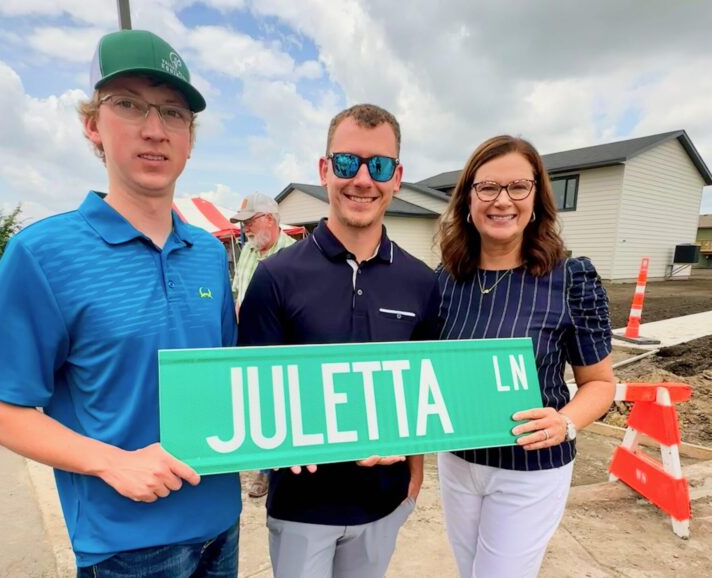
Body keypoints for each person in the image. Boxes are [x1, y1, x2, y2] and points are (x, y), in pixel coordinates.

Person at [0, 29, 240, 577]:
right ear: (93, 125)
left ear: (190, 137)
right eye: (129, 106)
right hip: (125, 545)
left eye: (173, 113)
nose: (154, 130)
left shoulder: (208, 253)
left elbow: (228, 382)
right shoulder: (42, 254)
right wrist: (113, 463)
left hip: (221, 525)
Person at [238, 104, 441, 578]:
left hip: (384, 504)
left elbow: (427, 386)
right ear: (325, 169)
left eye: (380, 166)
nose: (363, 179)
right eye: (348, 163)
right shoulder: (275, 277)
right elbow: (253, 392)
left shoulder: (421, 282)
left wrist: (414, 474)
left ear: (397, 177)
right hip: (302, 509)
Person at [435, 135, 616, 577]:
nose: (503, 201)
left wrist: (567, 422)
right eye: (488, 188)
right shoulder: (445, 279)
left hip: (529, 467)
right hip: (457, 463)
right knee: (468, 569)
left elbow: (600, 383)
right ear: (468, 200)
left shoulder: (571, 279)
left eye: (518, 187)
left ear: (536, 198)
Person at [229, 193, 295, 499]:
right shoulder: (248, 252)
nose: (245, 231)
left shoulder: (295, 256)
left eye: (250, 223)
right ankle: (263, 464)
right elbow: (237, 292)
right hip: (248, 346)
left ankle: (269, 472)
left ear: (269, 219)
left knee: (279, 410)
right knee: (256, 409)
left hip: (281, 350)